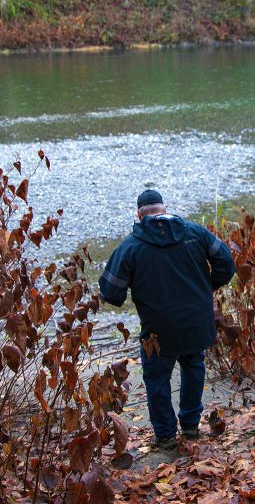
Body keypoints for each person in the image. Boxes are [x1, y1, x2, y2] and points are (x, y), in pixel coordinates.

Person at [99, 189, 236, 449]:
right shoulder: (195, 233)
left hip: (158, 328)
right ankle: (190, 426)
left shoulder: (131, 246)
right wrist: (208, 288)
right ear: (164, 209)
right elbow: (226, 262)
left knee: (157, 378)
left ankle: (165, 436)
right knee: (193, 366)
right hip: (196, 321)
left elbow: (110, 290)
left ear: (139, 215)